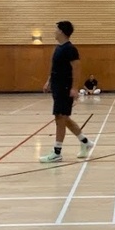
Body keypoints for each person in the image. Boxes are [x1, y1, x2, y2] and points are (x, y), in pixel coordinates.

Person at [40, 21, 93, 163]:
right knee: (64, 118)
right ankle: (85, 142)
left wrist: (74, 88)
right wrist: (49, 81)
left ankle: (57, 152)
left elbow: (77, 68)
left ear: (62, 31)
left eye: (56, 29)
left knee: (60, 118)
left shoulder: (70, 49)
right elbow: (54, 68)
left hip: (65, 88)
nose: (54, 31)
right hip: (57, 87)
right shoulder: (58, 48)